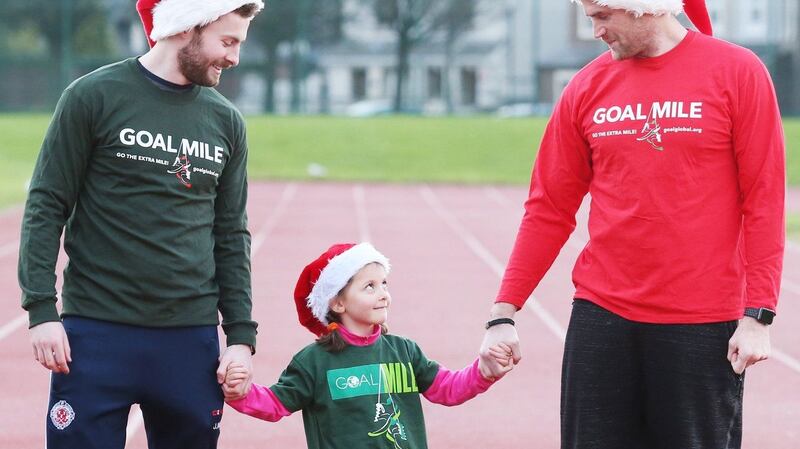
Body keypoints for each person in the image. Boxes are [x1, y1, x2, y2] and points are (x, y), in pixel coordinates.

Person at [478, 0, 786, 448]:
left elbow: (764, 199)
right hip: (602, 317)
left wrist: (759, 314)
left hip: (700, 322)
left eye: (603, 17)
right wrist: (502, 314)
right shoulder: (586, 86)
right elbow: (548, 207)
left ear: (645, 8)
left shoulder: (738, 71)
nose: (596, 31)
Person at [18, 0, 264, 447]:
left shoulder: (226, 121)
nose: (234, 57)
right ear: (187, 29)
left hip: (189, 341)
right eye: (227, 41)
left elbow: (230, 234)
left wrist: (240, 337)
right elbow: (46, 204)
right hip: (94, 333)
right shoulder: (92, 96)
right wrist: (40, 309)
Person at [224, 243, 514, 449]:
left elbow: (447, 388)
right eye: (369, 287)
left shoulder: (404, 352)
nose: (383, 294)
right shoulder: (313, 362)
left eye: (384, 283)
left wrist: (483, 372)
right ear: (337, 303)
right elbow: (275, 404)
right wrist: (239, 393)